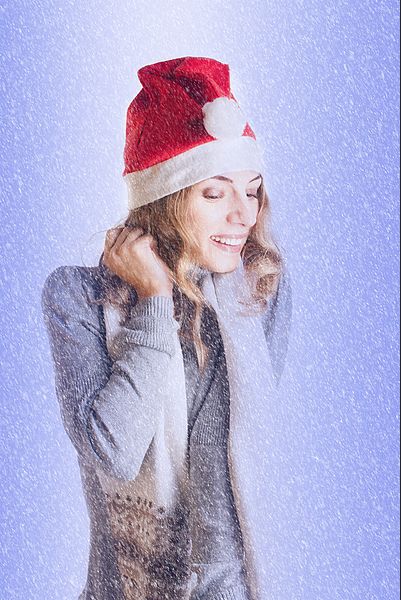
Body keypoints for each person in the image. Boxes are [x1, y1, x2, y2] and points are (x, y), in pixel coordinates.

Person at [42, 56, 292, 600]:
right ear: (165, 199)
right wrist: (154, 303)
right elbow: (113, 450)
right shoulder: (78, 297)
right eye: (214, 192)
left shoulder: (258, 292)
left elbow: (227, 501)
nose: (245, 215)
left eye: (252, 190)